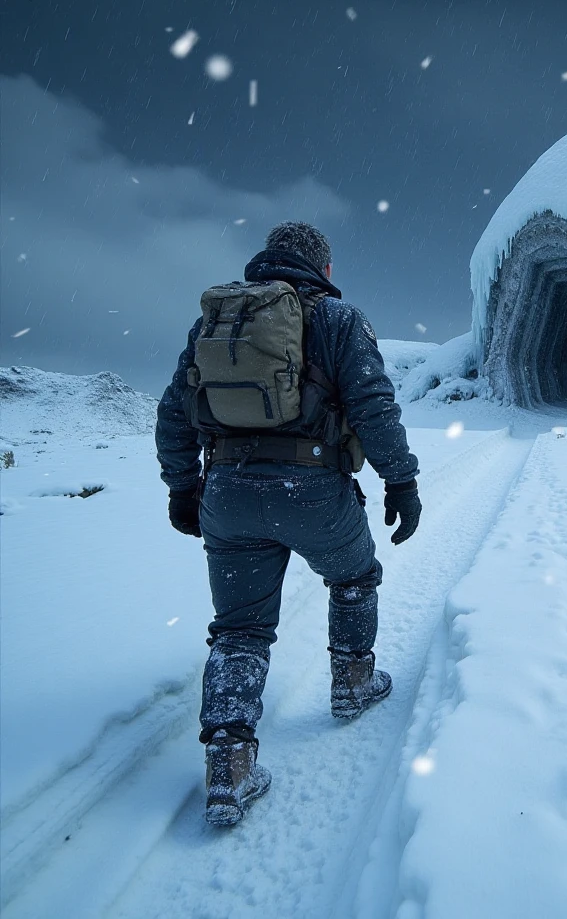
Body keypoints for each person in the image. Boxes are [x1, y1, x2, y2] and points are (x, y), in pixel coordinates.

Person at [155, 221, 421, 826]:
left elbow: (174, 415)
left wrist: (182, 489)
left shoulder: (214, 324)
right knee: (354, 576)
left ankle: (229, 767)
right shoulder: (338, 319)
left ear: (266, 261)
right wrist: (400, 479)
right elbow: (373, 404)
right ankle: (352, 683)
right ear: (322, 268)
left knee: (240, 630)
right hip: (313, 488)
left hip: (226, 491)